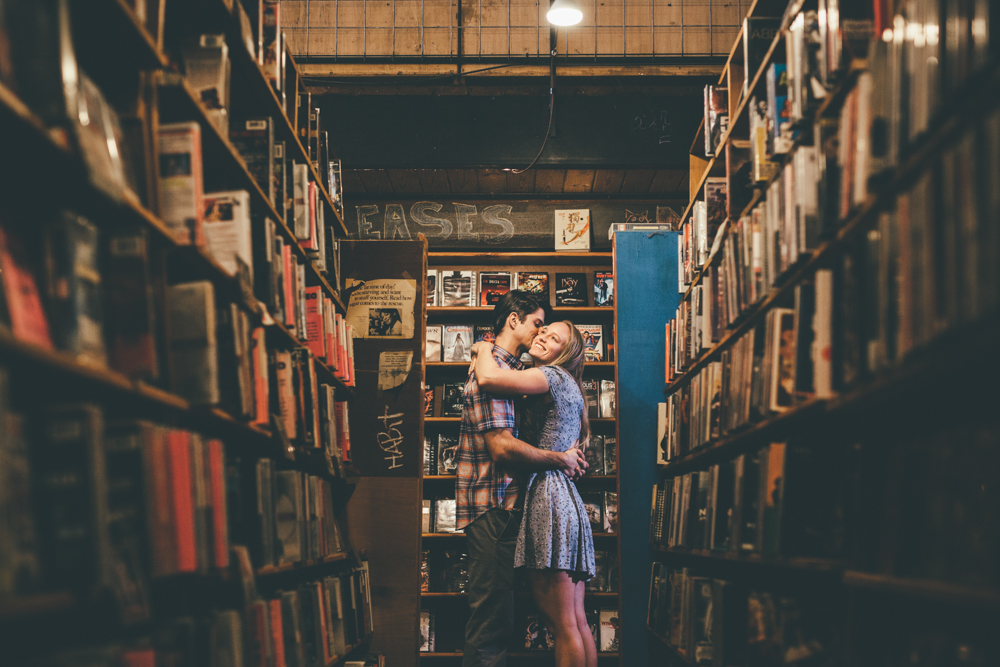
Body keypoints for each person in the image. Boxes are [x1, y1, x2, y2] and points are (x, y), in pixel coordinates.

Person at [457, 291, 588, 667]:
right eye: (537, 325)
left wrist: (481, 350)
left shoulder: (515, 372)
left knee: (555, 621)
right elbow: (501, 448)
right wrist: (560, 457)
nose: (539, 334)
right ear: (514, 320)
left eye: (549, 334)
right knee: (497, 622)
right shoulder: (498, 370)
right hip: (496, 505)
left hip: (526, 503)